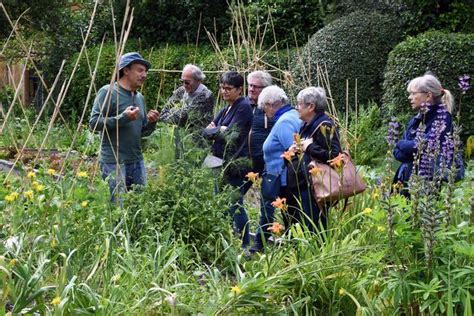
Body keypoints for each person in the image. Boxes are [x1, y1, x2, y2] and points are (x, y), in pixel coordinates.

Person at [89, 52, 159, 201]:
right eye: (140, 70)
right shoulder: (108, 92)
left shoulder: (139, 97)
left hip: (136, 160)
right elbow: (94, 123)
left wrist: (152, 122)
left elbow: (142, 132)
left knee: (139, 205)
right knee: (117, 209)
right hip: (114, 162)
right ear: (126, 70)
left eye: (146, 71)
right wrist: (122, 118)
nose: (144, 75)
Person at [203, 71, 253, 248]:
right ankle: (227, 239)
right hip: (219, 161)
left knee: (234, 204)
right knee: (221, 201)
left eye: (228, 88)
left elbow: (230, 133)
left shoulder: (243, 106)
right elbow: (207, 130)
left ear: (240, 90)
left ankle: (245, 244)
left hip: (235, 163)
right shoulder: (226, 108)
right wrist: (218, 129)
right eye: (222, 88)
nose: (224, 91)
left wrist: (218, 130)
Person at [393, 73, 464, 195]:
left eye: (413, 93)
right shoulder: (416, 119)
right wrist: (409, 148)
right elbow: (398, 153)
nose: (410, 97)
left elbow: (425, 146)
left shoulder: (442, 118)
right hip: (405, 178)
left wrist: (401, 144)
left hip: (427, 183)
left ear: (428, 96)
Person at [251, 85, 301, 252]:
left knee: (272, 211)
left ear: (272, 104)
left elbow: (293, 151)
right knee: (290, 215)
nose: (265, 113)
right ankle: (290, 249)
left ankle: (259, 246)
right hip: (284, 177)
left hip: (281, 178)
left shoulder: (285, 121)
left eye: (264, 107)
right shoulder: (294, 114)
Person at [286, 86, 341, 232]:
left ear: (311, 106)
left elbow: (335, 155)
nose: (296, 108)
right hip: (303, 185)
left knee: (315, 229)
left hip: (316, 188)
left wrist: (309, 147)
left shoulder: (325, 125)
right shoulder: (307, 125)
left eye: (299, 104)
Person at [159, 64, 214, 131]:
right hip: (180, 134)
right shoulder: (181, 90)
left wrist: (173, 111)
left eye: (187, 82)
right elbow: (163, 112)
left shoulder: (206, 96)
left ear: (198, 81)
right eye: (182, 81)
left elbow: (184, 118)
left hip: (198, 137)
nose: (184, 85)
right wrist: (176, 112)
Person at [247, 70, 274, 174]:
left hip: (266, 163)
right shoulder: (243, 106)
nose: (251, 89)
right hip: (245, 162)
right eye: (250, 85)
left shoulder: (272, 108)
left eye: (255, 86)